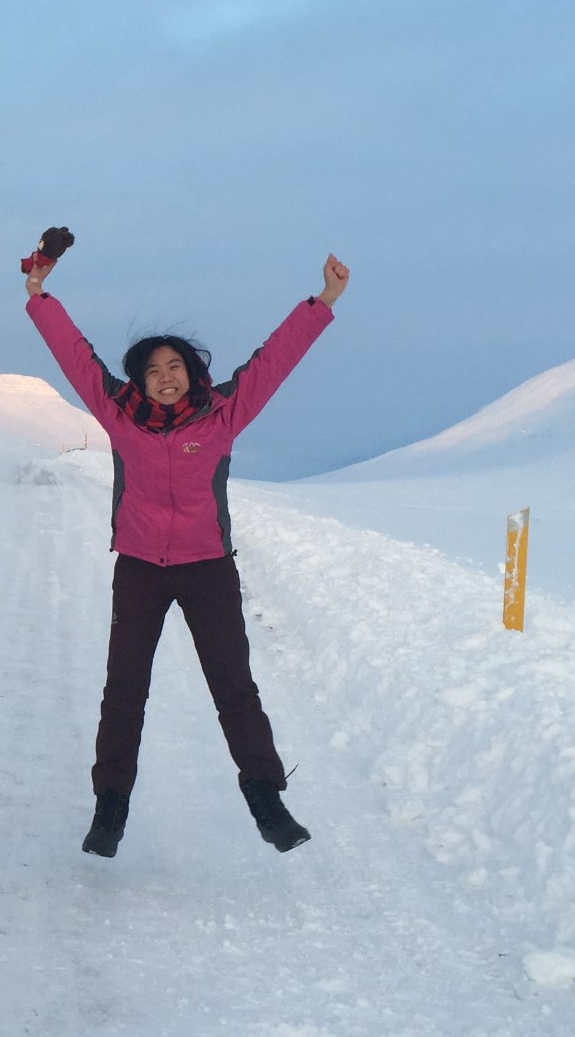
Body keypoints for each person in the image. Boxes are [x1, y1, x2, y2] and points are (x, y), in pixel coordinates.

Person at [20, 228, 350, 858]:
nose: (165, 378)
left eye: (175, 368)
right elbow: (75, 356)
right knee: (125, 689)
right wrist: (39, 296)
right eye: (153, 371)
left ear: (193, 374)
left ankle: (268, 802)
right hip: (141, 568)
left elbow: (272, 362)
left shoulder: (222, 414)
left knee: (234, 687)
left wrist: (323, 301)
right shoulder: (118, 416)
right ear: (138, 382)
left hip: (208, 569)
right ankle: (109, 810)